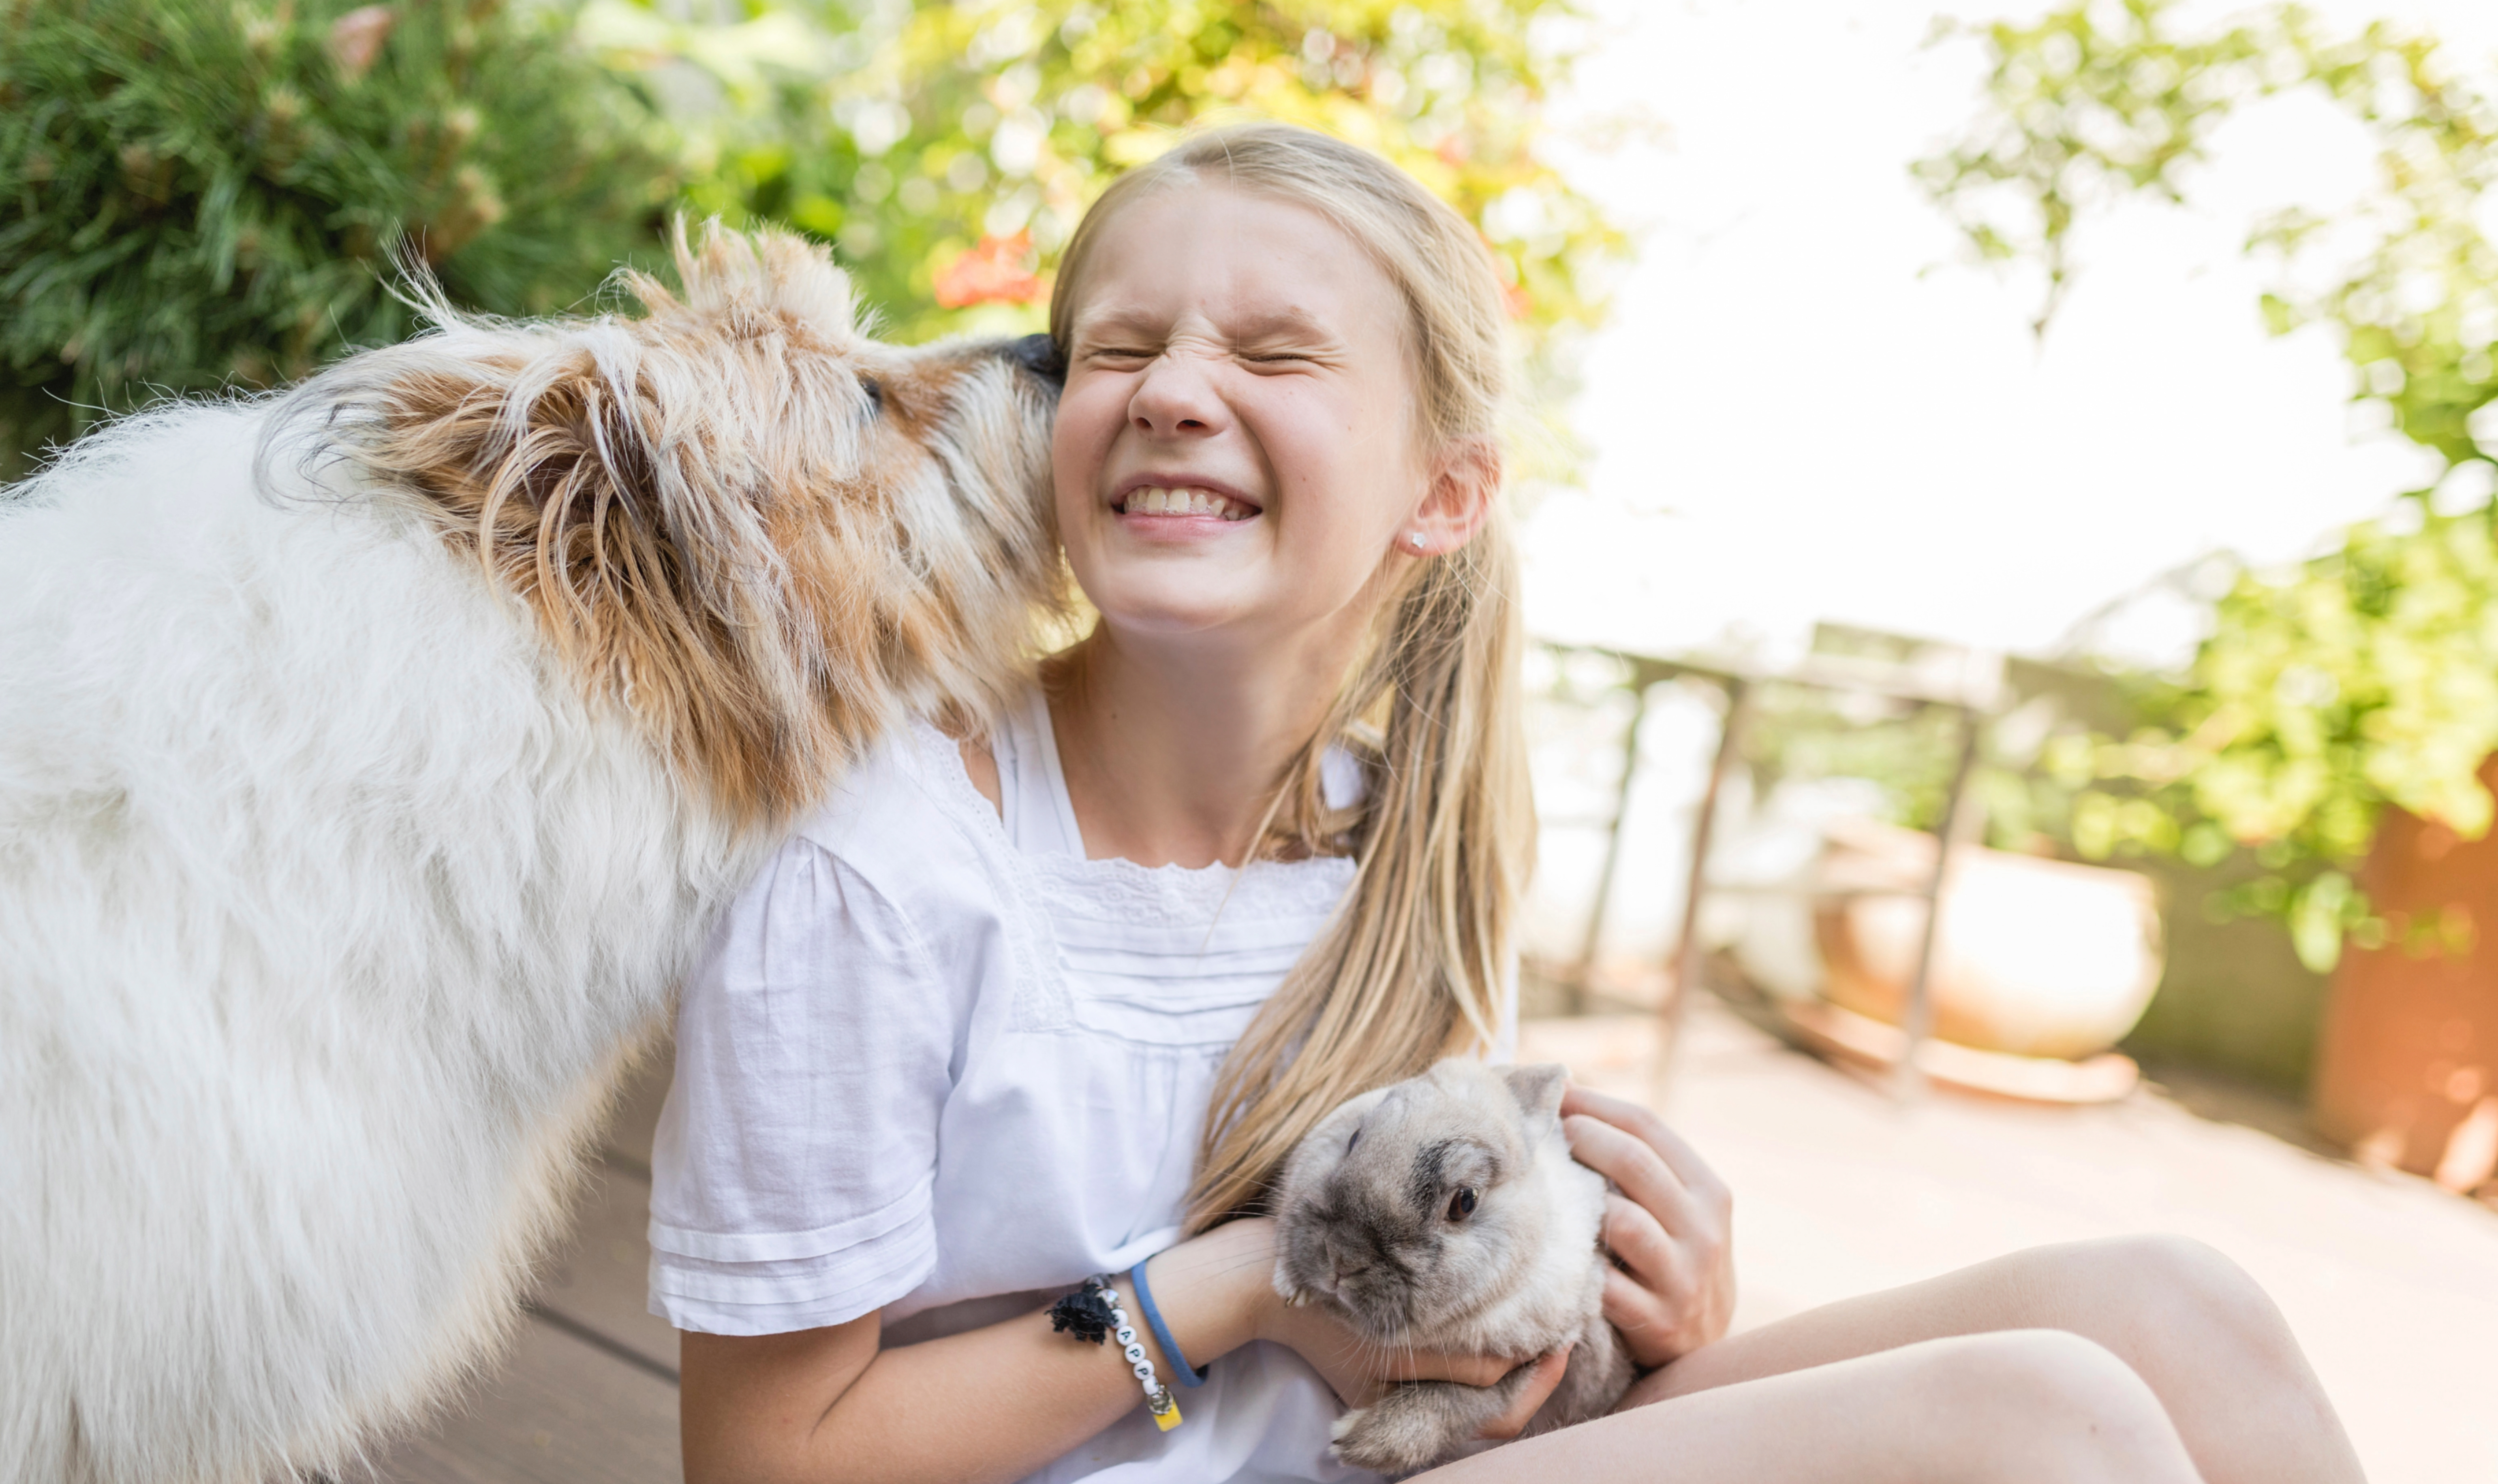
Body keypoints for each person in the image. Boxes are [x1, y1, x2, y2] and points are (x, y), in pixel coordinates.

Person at [648, 124, 2364, 1484]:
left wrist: (1659, 1312)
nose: (1174, 387)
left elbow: (1470, 1334)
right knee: (2046, 1427)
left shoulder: (1403, 841)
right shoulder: (879, 873)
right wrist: (1250, 1288)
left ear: (1443, 492)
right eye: (1120, 347)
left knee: (2173, 1312)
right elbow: (765, 1460)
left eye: (1273, 351)